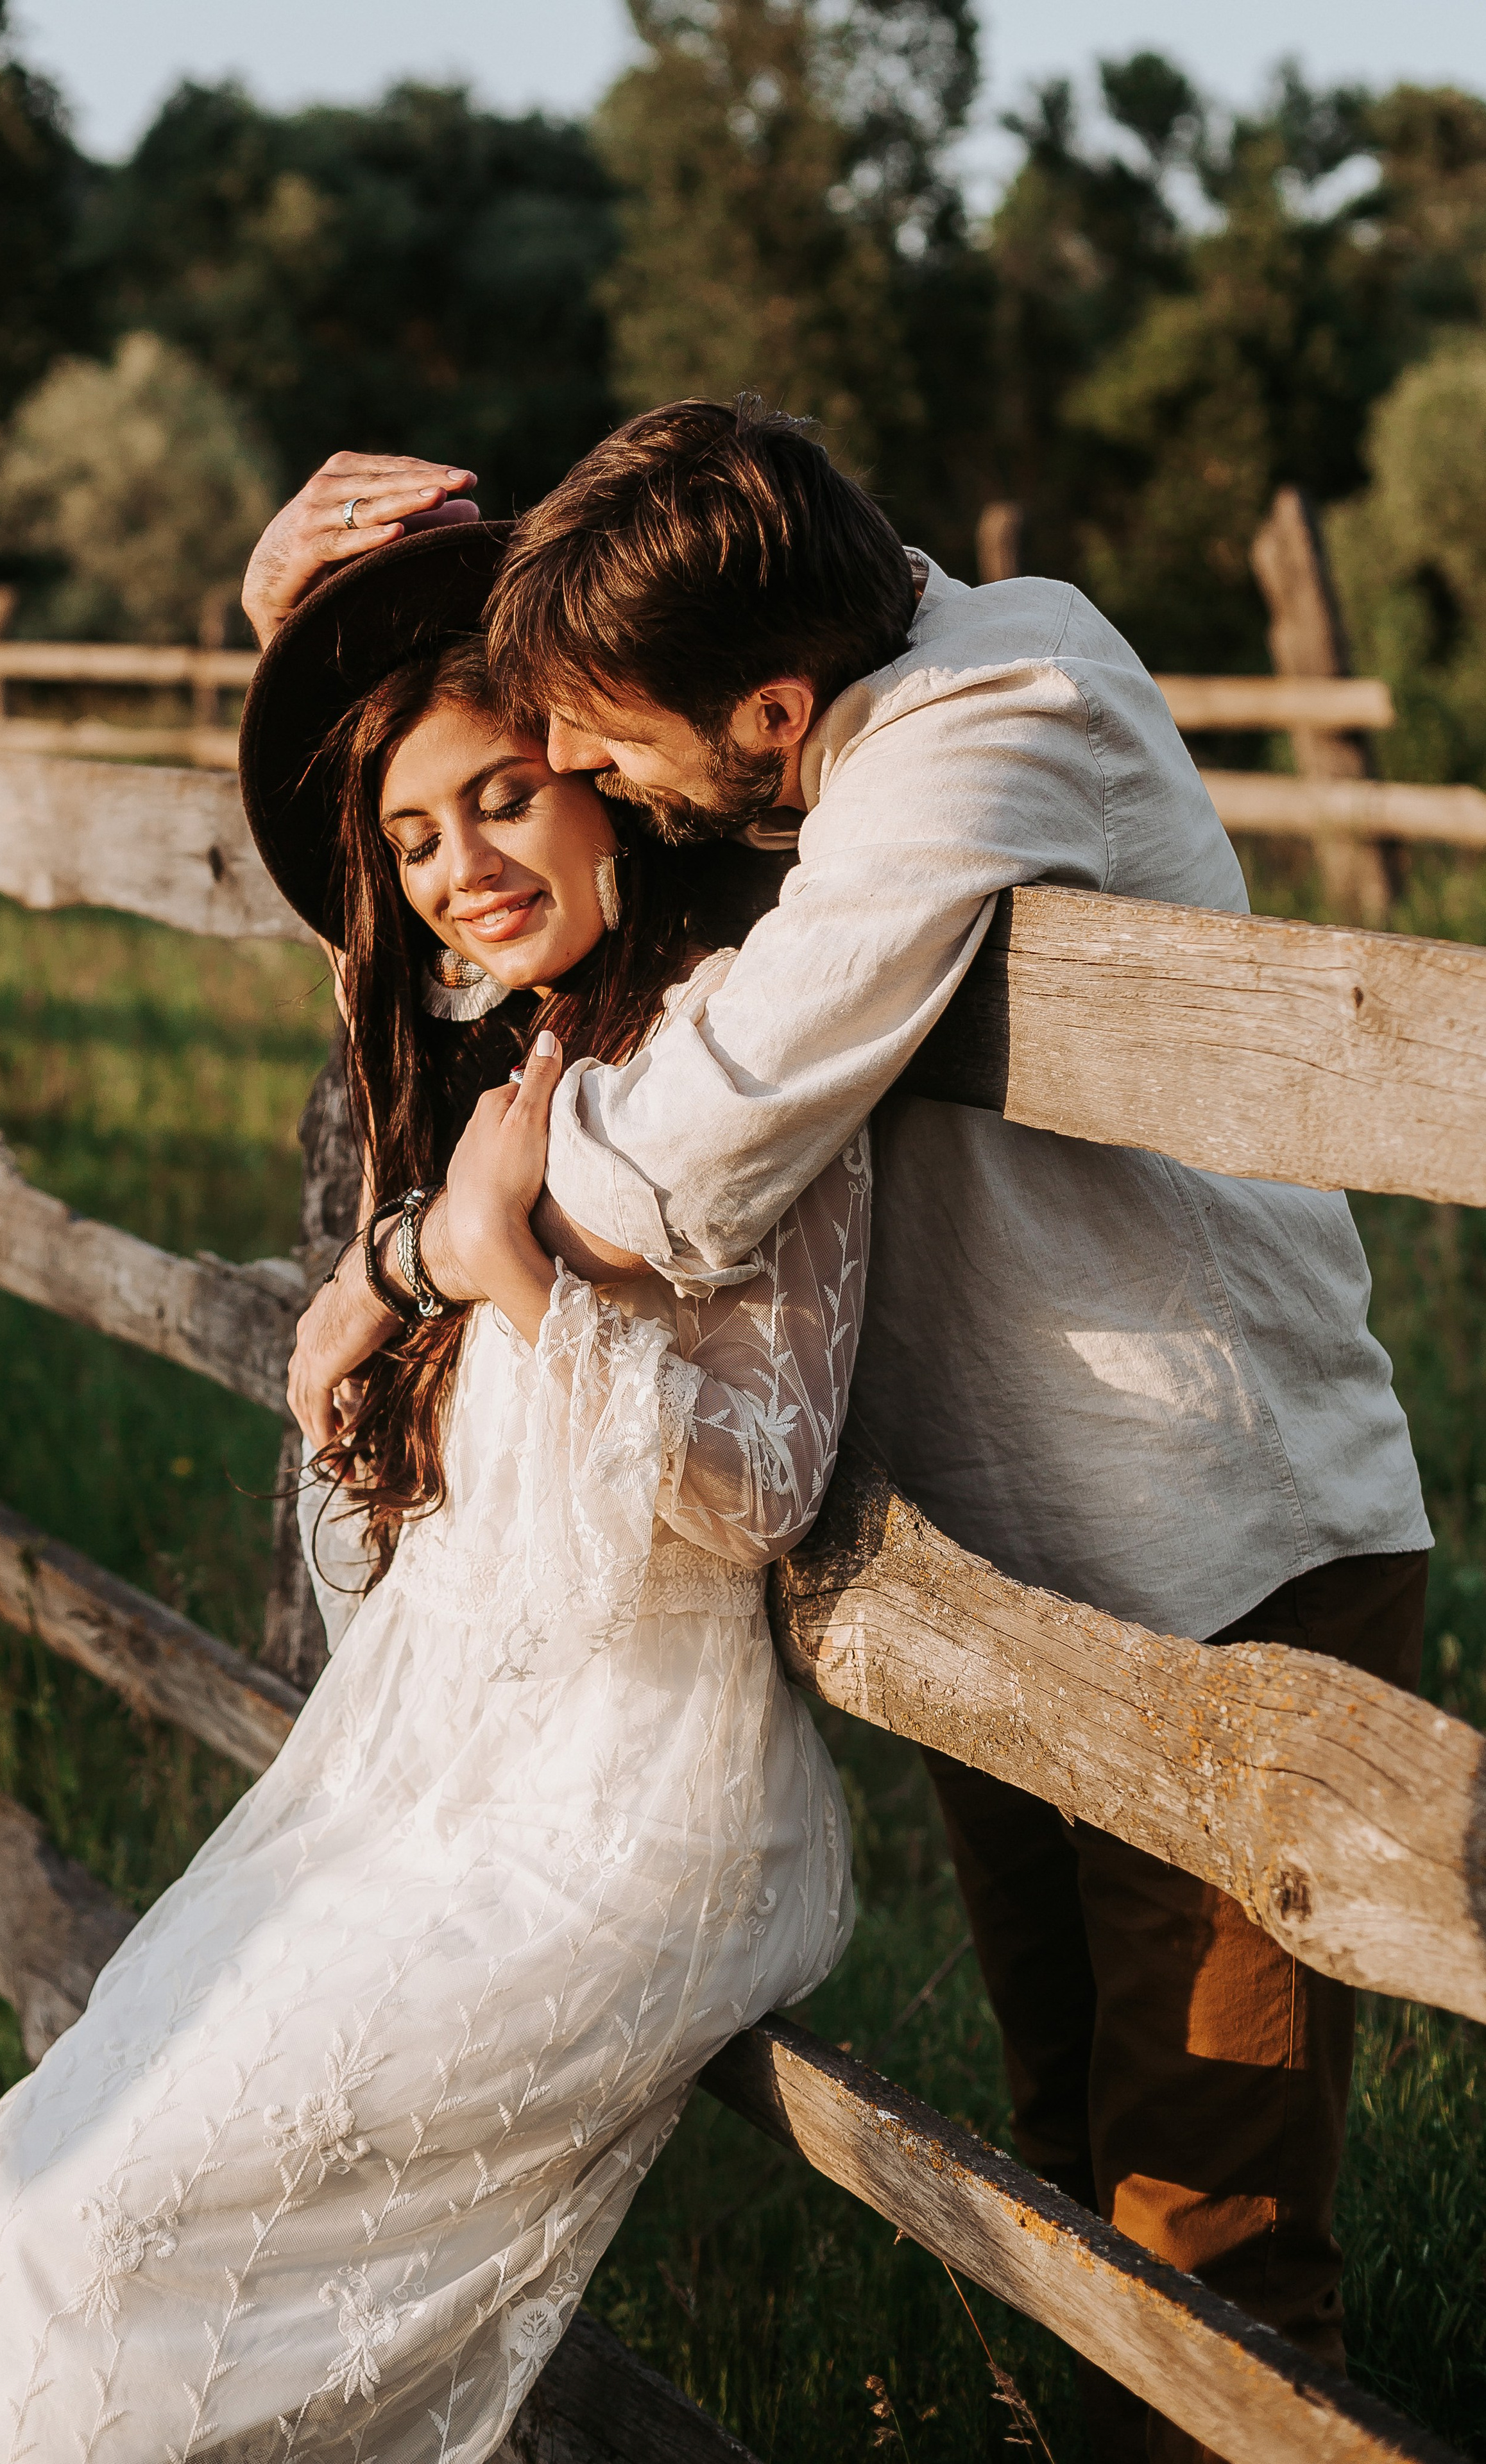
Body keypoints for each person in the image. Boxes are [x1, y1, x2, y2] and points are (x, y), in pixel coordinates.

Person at [256, 407, 1432, 2464]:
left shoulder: (990, 717)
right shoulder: (786, 733)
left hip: (1218, 1557)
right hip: (1015, 1573)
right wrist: (310, 634)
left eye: (616, 756)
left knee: (1219, 2230)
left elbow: (687, 1147)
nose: (599, 786)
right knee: (1075, 2164)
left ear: (769, 711)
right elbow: (483, 902)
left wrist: (436, 1252)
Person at [0, 536, 858, 2464]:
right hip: (428, 1786)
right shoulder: (501, 1041)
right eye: (420, 841)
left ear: (610, 772)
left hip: (633, 1820)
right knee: (26, 2185)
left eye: (507, 795)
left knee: (96, 2244)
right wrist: (410, 1266)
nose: (464, 867)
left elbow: (765, 1491)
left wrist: (504, 1279)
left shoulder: (735, 1054)